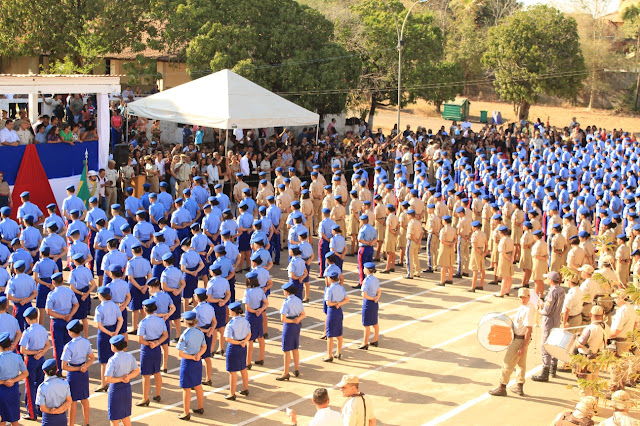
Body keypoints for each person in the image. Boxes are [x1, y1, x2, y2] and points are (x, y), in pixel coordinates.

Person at [489, 287, 534, 397]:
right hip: (521, 339)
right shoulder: (525, 307)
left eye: (525, 297)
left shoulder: (528, 309)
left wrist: (523, 346)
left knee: (508, 363)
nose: (523, 299)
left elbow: (529, 328)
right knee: (521, 364)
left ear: (529, 297)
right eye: (521, 297)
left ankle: (502, 386)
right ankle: (519, 386)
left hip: (519, 339)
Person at [532, 271, 565, 382]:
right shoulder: (561, 290)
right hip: (556, 320)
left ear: (551, 280)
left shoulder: (552, 292)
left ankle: (545, 371)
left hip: (549, 320)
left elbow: (547, 310)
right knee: (554, 344)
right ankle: (553, 367)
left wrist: (540, 309)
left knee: (545, 345)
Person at [19, 307, 51, 421]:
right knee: (40, 385)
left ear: (27, 319)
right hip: (41, 359)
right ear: (36, 317)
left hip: (31, 360)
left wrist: (35, 353)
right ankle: (41, 410)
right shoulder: (42, 329)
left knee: (29, 386)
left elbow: (22, 350)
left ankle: (32, 413)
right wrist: (41, 352)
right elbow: (48, 345)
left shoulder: (27, 332)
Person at [61, 319, 94, 426]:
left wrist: (78, 368)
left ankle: (71, 424)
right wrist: (85, 366)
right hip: (84, 372)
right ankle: (86, 423)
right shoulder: (86, 342)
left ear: (71, 332)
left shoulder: (69, 346)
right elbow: (92, 358)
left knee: (72, 401)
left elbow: (64, 366)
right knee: (85, 399)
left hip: (74, 374)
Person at [136, 299, 168, 406]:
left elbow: (140, 340)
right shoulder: (160, 320)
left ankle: (145, 398)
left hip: (147, 348)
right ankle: (157, 394)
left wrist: (149, 343)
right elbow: (165, 335)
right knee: (157, 372)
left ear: (145, 309)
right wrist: (157, 343)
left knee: (145, 374)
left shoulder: (143, 323)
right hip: (157, 347)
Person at [45, 272, 79, 372]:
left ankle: (59, 369)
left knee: (58, 346)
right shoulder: (69, 291)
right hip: (69, 321)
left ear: (53, 282)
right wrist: (69, 315)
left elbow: (48, 311)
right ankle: (70, 365)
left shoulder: (52, 294)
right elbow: (76, 305)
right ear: (62, 281)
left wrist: (62, 316)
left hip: (57, 321)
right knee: (70, 344)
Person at [105, 335, 140, 426]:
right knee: (125, 416)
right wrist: (127, 377)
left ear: (113, 347)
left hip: (116, 388)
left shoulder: (112, 360)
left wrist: (120, 378)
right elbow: (136, 370)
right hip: (126, 387)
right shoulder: (129, 356)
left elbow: (108, 378)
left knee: (114, 418)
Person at [94, 286, 123, 392]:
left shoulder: (99, 308)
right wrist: (116, 332)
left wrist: (109, 333)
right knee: (114, 357)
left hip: (104, 333)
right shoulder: (115, 306)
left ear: (100, 296)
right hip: (114, 330)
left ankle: (104, 383)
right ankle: (113, 380)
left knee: (103, 360)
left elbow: (99, 325)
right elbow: (120, 319)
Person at [278, 282, 305, 381]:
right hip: (296, 325)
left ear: (286, 292)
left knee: (286, 350)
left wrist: (292, 321)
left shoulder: (286, 302)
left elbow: (283, 318)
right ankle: (296, 369)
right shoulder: (298, 300)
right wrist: (297, 320)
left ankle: (286, 372)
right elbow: (303, 314)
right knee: (295, 347)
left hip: (289, 325)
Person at [0, 331, 28, 425]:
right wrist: (13, 380)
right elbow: (25, 373)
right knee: (14, 419)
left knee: (1, 420)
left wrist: (4, 382)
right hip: (13, 390)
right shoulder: (17, 357)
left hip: (1, 392)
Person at [224, 301, 250, 400]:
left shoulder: (231, 323)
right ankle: (245, 388)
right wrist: (244, 342)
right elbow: (249, 334)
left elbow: (228, 339)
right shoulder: (245, 321)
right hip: (243, 346)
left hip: (234, 347)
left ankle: (232, 393)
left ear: (233, 312)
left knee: (232, 371)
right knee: (243, 368)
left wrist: (239, 343)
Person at [35, 359, 72, 426]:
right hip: (61, 417)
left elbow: (42, 408)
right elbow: (69, 401)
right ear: (57, 369)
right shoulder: (64, 383)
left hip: (48, 419)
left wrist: (52, 411)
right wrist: (59, 410)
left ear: (44, 371)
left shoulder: (42, 387)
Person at [243, 271, 266, 369]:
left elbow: (247, 308)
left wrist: (254, 311)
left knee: (250, 339)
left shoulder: (247, 292)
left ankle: (248, 362)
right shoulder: (260, 290)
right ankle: (261, 357)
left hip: (250, 316)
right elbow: (266, 302)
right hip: (258, 315)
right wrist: (259, 310)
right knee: (260, 337)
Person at [324, 271, 349, 362]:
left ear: (330, 279)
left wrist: (335, 303)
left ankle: (329, 355)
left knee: (330, 335)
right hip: (339, 310)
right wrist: (339, 303)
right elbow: (347, 299)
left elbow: (328, 302)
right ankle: (338, 352)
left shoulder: (329, 289)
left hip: (332, 310)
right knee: (339, 332)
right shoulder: (341, 288)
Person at [360, 262, 381, 350]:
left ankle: (365, 343)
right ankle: (375, 340)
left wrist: (372, 298)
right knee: (375, 322)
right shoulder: (376, 279)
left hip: (368, 302)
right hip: (375, 303)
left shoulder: (366, 281)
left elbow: (363, 295)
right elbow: (379, 291)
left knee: (366, 324)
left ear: (367, 270)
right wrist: (376, 298)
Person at [356, 214, 377, 289]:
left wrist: (367, 242)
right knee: (370, 265)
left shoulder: (362, 229)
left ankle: (361, 282)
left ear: (362, 221)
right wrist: (371, 243)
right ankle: (370, 281)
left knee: (361, 266)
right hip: (370, 248)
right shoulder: (372, 228)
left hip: (363, 248)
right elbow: (376, 238)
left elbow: (359, 239)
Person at [437, 215, 455, 286]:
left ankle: (442, 281)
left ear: (444, 221)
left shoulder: (443, 230)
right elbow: (455, 238)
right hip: (451, 247)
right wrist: (452, 243)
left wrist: (448, 243)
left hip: (445, 247)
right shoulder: (453, 229)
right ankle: (450, 279)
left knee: (443, 265)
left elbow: (442, 241)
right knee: (450, 264)